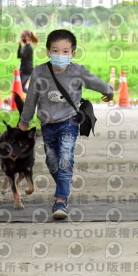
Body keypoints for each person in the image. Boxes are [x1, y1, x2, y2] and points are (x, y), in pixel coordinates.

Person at [18, 29, 114, 219]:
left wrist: (108, 91)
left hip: (69, 121)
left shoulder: (77, 71)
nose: (60, 55)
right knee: (52, 162)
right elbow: (31, 100)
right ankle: (64, 185)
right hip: (47, 124)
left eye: (65, 51)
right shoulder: (39, 73)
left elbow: (93, 81)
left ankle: (61, 200)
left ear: (72, 54)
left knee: (65, 158)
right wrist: (24, 122)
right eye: (55, 51)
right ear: (47, 52)